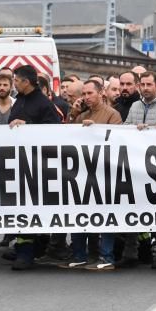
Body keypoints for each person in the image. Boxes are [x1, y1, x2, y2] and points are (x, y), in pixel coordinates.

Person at [61, 80, 123, 271]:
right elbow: (66, 138)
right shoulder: (81, 116)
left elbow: (119, 141)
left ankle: (107, 257)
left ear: (101, 93)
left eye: (90, 93)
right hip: (83, 175)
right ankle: (80, 255)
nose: (87, 98)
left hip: (105, 176)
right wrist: (73, 115)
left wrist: (96, 130)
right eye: (84, 94)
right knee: (79, 214)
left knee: (106, 217)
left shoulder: (112, 114)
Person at [7, 64, 62, 270]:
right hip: (19, 161)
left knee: (30, 209)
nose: (14, 84)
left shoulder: (43, 104)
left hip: (37, 166)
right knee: (21, 208)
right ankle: (24, 247)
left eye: (16, 80)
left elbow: (53, 131)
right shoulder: (20, 100)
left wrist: (28, 128)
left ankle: (27, 254)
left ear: (26, 82)